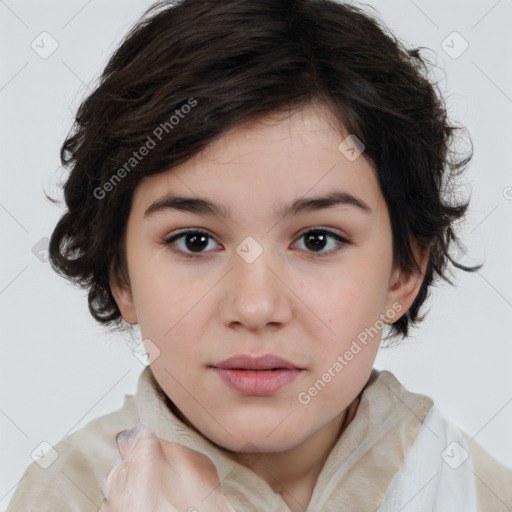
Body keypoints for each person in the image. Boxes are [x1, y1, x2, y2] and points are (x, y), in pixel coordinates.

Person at [6, 0, 512, 510]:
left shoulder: (474, 493)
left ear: (404, 272)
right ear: (122, 276)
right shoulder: (60, 495)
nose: (255, 307)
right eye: (194, 241)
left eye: (317, 240)